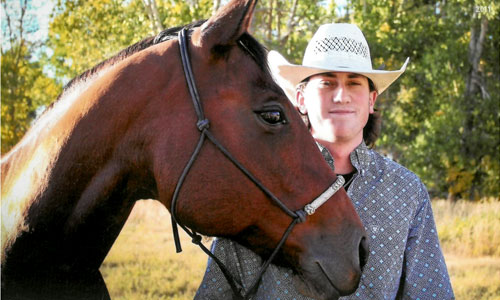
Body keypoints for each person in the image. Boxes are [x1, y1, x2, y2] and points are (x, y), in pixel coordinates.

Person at [195, 23, 454, 300]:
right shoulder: (260, 181)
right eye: (327, 82)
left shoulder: (407, 191)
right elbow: (217, 294)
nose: (341, 95)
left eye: (353, 82)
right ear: (301, 98)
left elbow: (430, 293)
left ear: (371, 100)